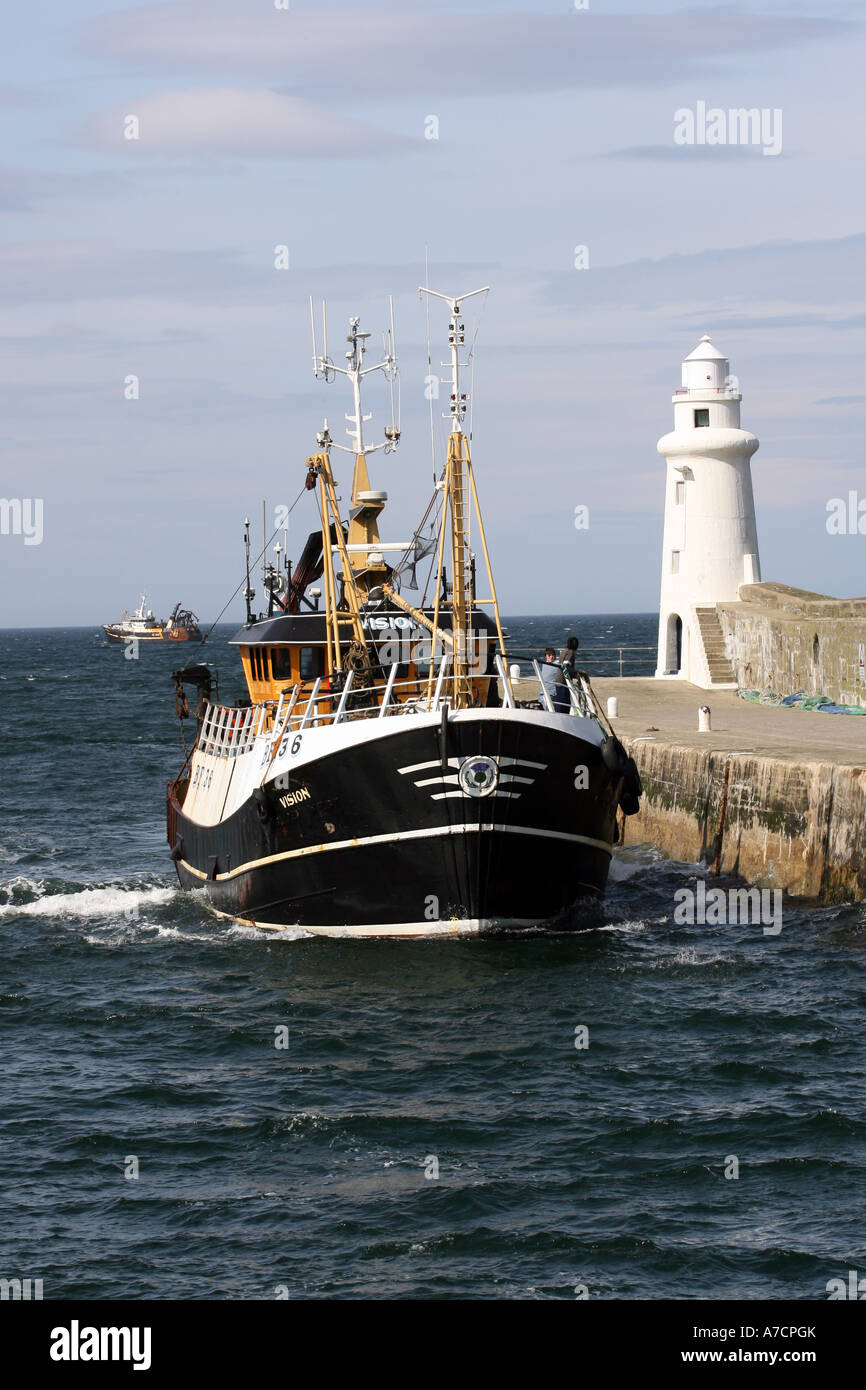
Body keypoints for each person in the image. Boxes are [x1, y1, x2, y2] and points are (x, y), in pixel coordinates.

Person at [538, 646, 569, 712]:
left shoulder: (544, 665)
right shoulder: (556, 664)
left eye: (553, 655)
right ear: (546, 656)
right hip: (549, 696)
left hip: (543, 695)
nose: (551, 657)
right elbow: (564, 664)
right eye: (549, 655)